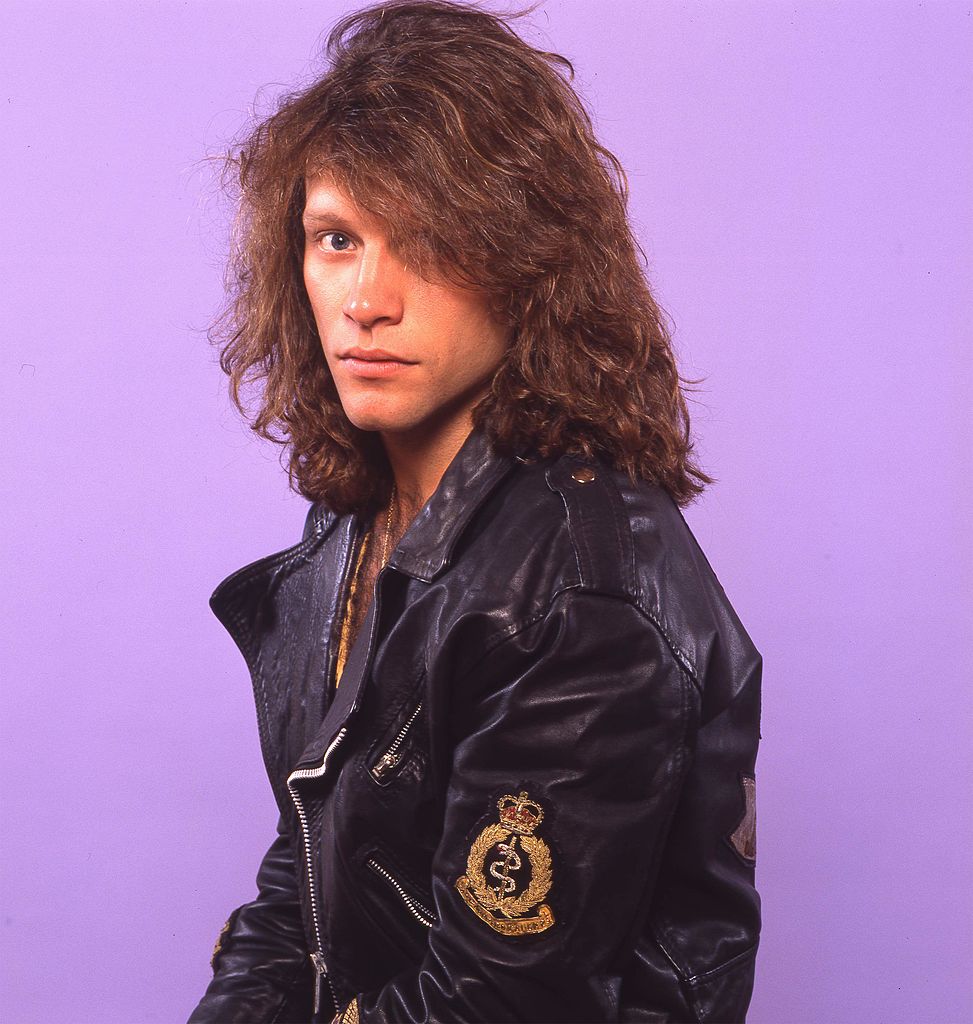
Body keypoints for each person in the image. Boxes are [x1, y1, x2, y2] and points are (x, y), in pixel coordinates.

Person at [188, 1, 761, 1021]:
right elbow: (308, 861)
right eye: (335, 239)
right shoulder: (362, 521)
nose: (366, 298)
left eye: (425, 240)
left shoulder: (577, 593)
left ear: (526, 263)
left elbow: (493, 1002)